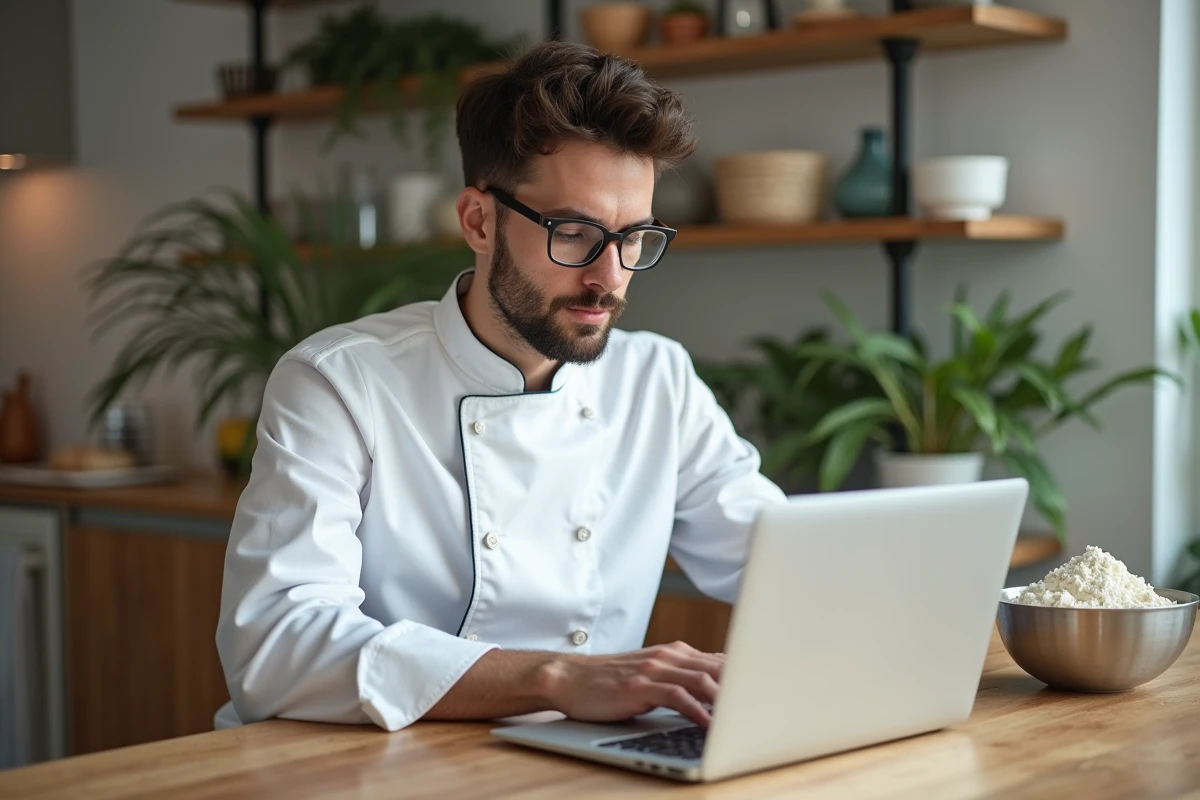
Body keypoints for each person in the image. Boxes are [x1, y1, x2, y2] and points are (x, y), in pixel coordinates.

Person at [214, 39, 786, 734]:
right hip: (373, 762)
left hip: (585, 761)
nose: (609, 278)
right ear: (478, 221)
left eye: (633, 236)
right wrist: (557, 677)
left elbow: (784, 564)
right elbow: (276, 644)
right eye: (574, 233)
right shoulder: (339, 382)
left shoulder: (656, 380)